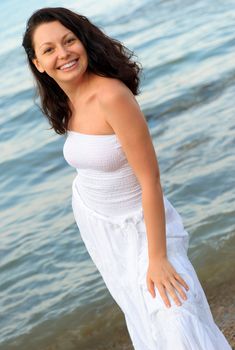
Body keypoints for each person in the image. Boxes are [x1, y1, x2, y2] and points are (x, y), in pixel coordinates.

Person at [22, 7, 232, 350]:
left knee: (176, 317)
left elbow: (150, 181)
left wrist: (158, 257)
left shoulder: (112, 96)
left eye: (69, 40)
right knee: (147, 323)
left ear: (83, 42)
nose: (63, 53)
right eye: (49, 49)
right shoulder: (67, 103)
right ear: (38, 64)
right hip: (104, 230)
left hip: (140, 229)